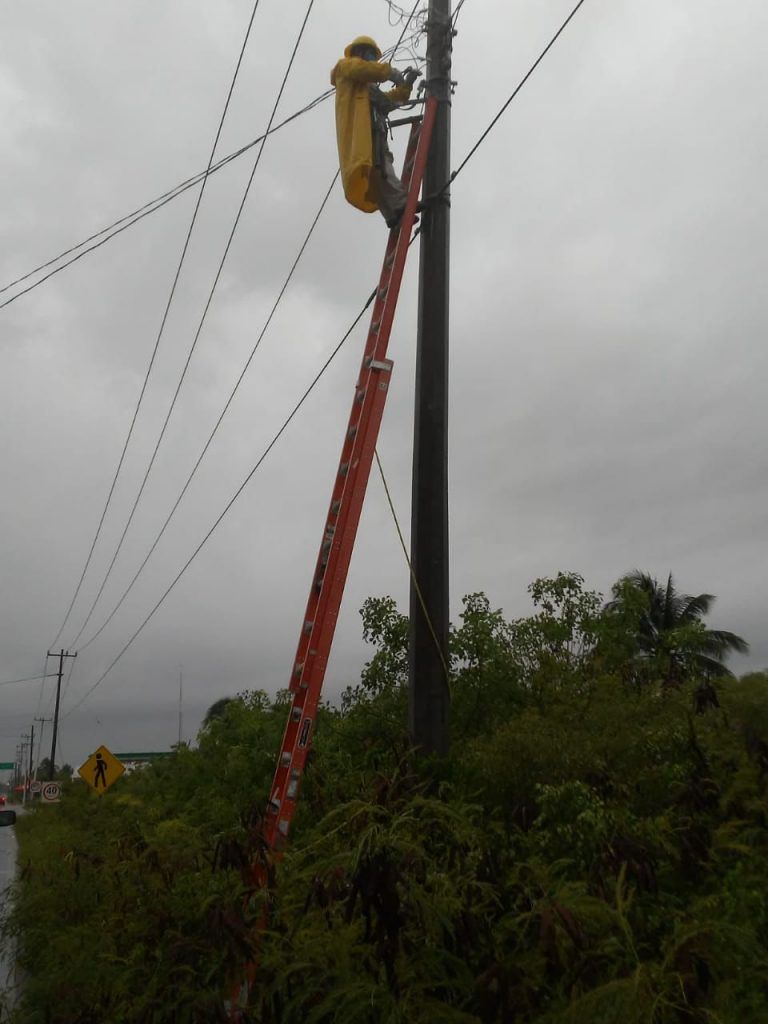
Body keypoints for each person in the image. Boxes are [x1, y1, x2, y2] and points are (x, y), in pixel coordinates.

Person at [331, 36, 420, 228]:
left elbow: (387, 102)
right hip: (362, 135)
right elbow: (362, 69)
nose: (373, 60)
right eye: (370, 55)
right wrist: (390, 72)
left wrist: (406, 85)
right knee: (382, 172)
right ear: (360, 53)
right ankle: (402, 205)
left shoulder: (366, 88)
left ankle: (394, 215)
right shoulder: (345, 68)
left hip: (375, 132)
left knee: (378, 174)